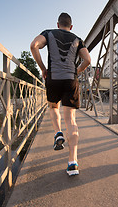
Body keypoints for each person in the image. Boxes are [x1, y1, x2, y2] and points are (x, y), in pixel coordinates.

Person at [30, 12, 91, 176]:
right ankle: (73, 163)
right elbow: (88, 60)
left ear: (58, 24)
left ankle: (57, 133)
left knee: (53, 107)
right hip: (70, 79)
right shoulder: (77, 38)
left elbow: (34, 45)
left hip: (53, 77)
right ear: (71, 27)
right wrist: (76, 71)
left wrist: (43, 69)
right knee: (71, 120)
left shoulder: (48, 33)